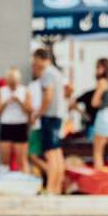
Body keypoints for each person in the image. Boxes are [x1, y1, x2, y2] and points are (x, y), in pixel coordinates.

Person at [31, 49, 66, 194]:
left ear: (39, 58)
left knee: (50, 154)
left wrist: (38, 113)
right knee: (57, 153)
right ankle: (56, 188)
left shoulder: (46, 73)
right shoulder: (56, 72)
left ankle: (50, 189)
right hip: (58, 116)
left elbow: (48, 95)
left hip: (50, 116)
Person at [0, 66, 33, 174]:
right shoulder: (1, 91)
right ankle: (2, 181)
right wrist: (6, 102)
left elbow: (30, 110)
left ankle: (25, 182)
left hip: (20, 125)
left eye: (14, 83)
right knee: (5, 160)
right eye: (10, 83)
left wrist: (19, 102)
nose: (12, 86)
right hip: (6, 125)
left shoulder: (24, 91)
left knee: (22, 160)